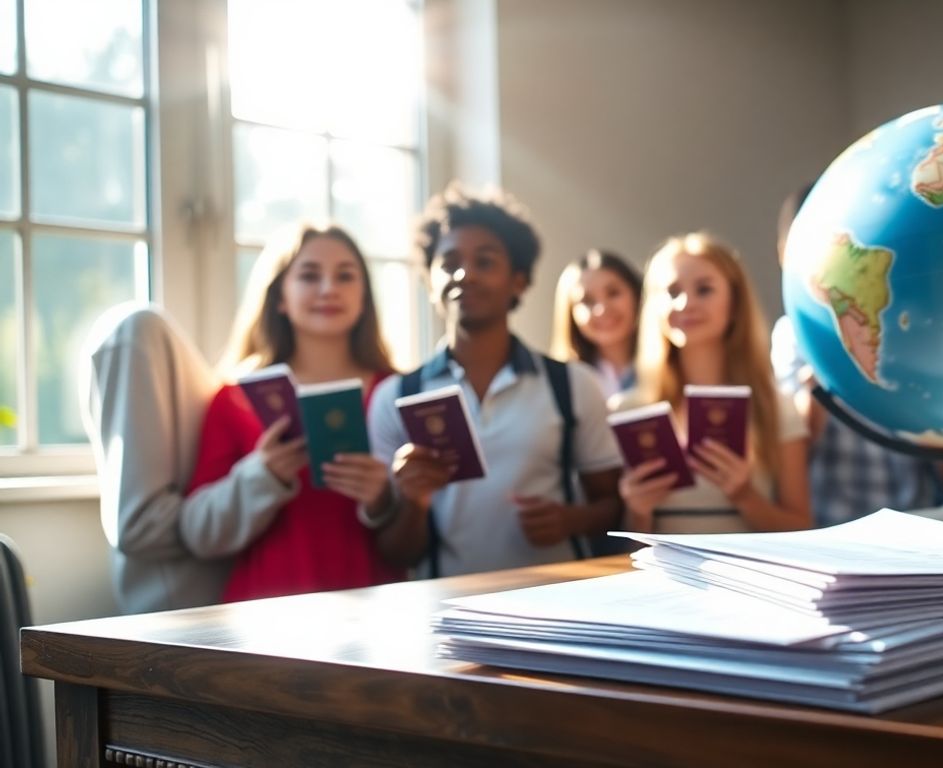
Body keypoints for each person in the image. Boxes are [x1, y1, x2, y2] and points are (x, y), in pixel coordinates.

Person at [366, 183, 624, 577]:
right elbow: (396, 552)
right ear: (429, 280)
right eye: (449, 262)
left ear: (518, 281)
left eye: (485, 262)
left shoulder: (572, 386)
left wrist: (572, 520)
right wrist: (412, 502)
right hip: (446, 613)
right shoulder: (396, 397)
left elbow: (613, 503)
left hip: (558, 603)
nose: (465, 274)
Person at [183, 222, 403, 602]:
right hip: (264, 619)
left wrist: (384, 498)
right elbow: (197, 533)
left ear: (364, 296)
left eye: (345, 276)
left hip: (378, 611)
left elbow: (435, 521)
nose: (329, 288)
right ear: (279, 296)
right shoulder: (235, 398)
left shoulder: (397, 392)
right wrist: (260, 475)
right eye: (309, 275)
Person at [769, 183, 943, 527]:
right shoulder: (794, 333)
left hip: (917, 516)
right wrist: (825, 375)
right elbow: (797, 444)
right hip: (837, 520)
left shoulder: (900, 322)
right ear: (785, 254)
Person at [615, 232, 810, 534]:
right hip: (662, 578)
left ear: (735, 303)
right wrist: (638, 511)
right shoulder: (629, 410)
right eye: (671, 292)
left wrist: (745, 496)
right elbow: (625, 551)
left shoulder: (777, 407)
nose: (685, 303)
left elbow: (802, 527)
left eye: (704, 289)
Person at [81, 303, 232, 613]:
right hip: (192, 616)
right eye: (309, 276)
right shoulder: (137, 335)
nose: (328, 291)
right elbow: (140, 525)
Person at [549, 249, 643, 398]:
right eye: (587, 301)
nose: (602, 310)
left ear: (637, 295)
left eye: (613, 293)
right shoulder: (560, 385)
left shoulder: (670, 370)